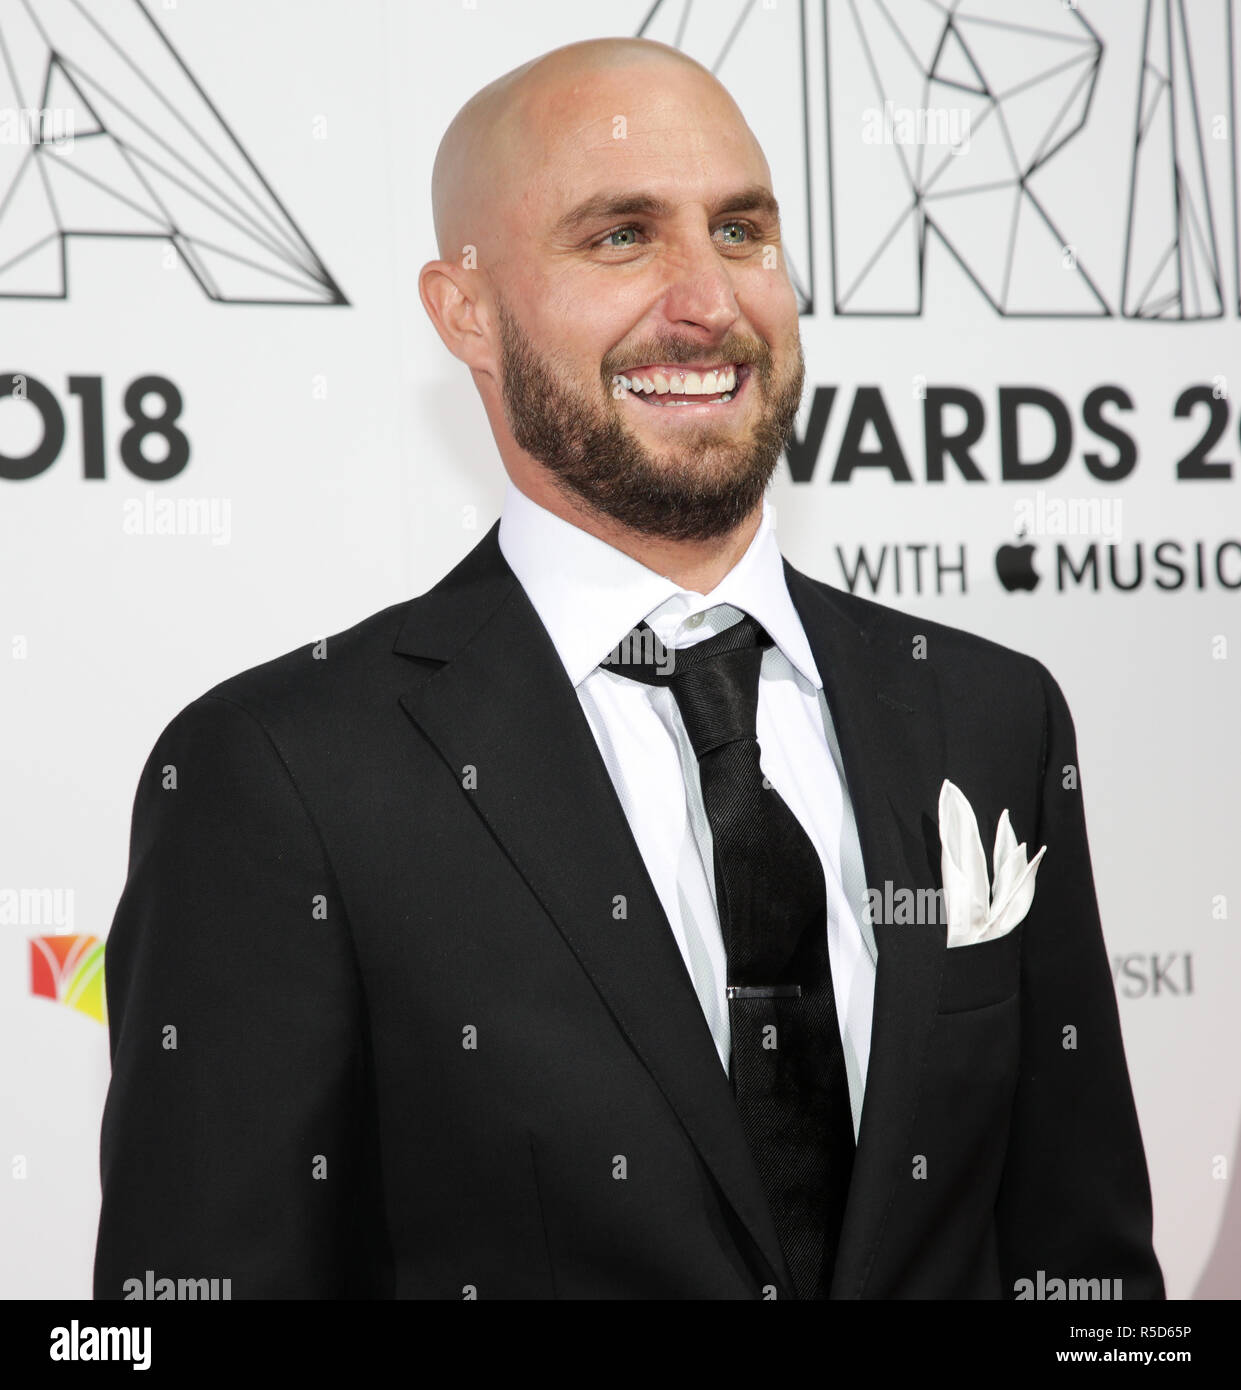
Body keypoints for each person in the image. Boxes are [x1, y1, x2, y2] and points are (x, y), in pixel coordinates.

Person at [94, 36, 1163, 1300]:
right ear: (466, 312)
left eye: (741, 230)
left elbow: (1085, 1277)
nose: (706, 300)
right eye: (619, 237)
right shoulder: (283, 774)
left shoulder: (987, 715)